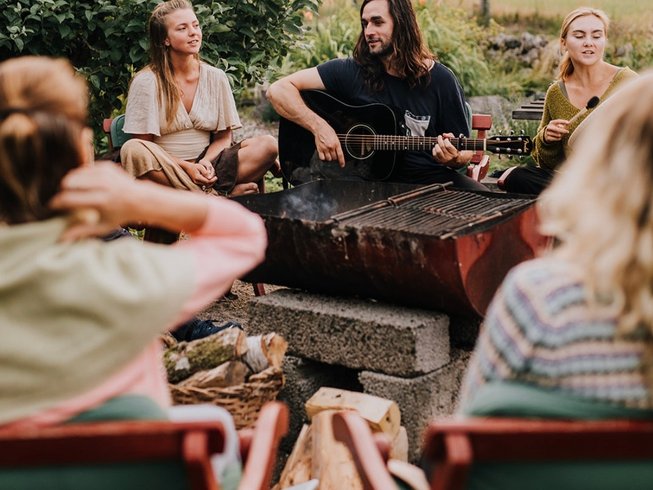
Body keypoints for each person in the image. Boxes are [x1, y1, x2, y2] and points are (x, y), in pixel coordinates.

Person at [0, 53, 266, 444]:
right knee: (226, 434)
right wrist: (137, 199)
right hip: (136, 463)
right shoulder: (121, 272)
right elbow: (246, 234)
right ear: (80, 153)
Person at [458, 71, 653, 411]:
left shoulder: (536, 298)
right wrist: (547, 138)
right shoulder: (555, 93)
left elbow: (468, 427)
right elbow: (543, 159)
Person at [266, 0, 487, 191]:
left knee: (487, 204)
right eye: (365, 23)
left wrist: (454, 158)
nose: (368, 31)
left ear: (402, 24)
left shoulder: (441, 80)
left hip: (428, 181)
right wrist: (319, 127)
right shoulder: (350, 71)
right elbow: (278, 90)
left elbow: (465, 150)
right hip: (363, 184)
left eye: (377, 22)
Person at [120, 0, 278, 204]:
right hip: (167, 169)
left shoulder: (216, 77)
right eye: (182, 28)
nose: (193, 32)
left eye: (195, 25)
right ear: (165, 39)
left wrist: (204, 162)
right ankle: (211, 197)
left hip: (211, 166)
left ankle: (200, 195)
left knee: (268, 145)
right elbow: (144, 146)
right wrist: (188, 168)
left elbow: (223, 137)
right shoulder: (146, 82)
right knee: (132, 149)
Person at [498, 7, 637, 195]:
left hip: (624, 185)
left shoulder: (628, 82)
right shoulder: (556, 93)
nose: (588, 43)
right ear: (563, 43)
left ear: (604, 40)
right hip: (577, 185)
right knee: (517, 177)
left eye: (596, 36)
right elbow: (548, 165)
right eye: (579, 36)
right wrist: (547, 139)